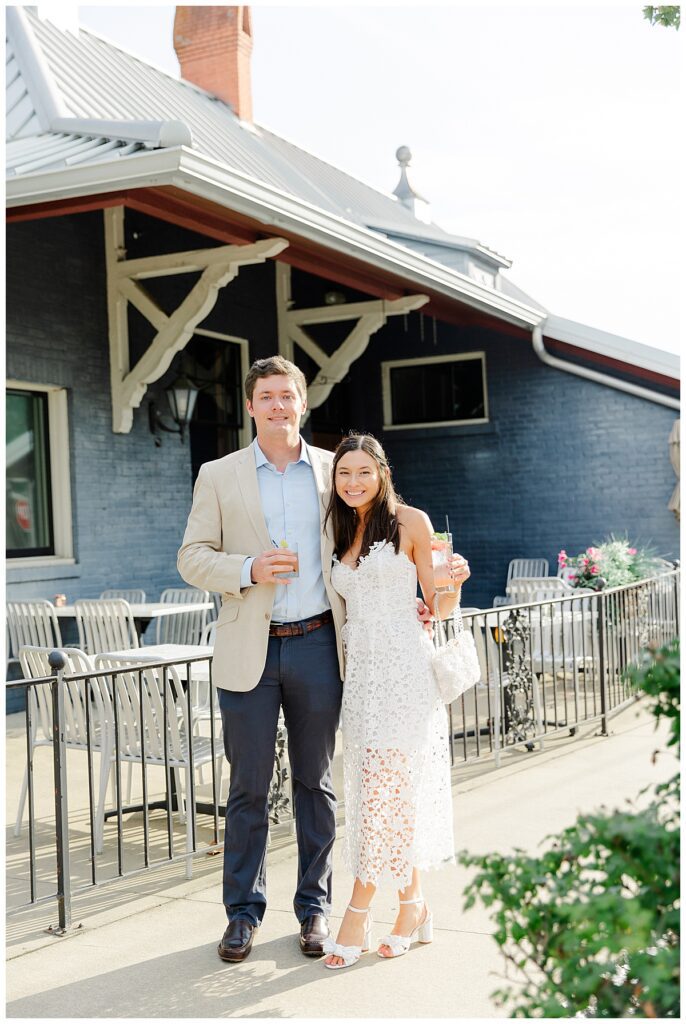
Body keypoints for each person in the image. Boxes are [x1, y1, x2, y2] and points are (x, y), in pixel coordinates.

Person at [177, 356, 465, 964]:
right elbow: (191, 558)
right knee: (248, 787)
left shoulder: (336, 473)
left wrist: (428, 597)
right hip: (249, 648)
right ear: (251, 405)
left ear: (302, 405)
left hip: (320, 647)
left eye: (288, 396)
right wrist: (246, 569)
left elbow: (387, 548)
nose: (278, 406)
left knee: (318, 783)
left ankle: (315, 909)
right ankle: (242, 915)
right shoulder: (218, 475)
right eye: (267, 397)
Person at [321, 433, 468, 969]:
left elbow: (439, 603)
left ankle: (358, 909)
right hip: (361, 677)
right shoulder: (337, 527)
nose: (353, 482)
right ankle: (414, 905)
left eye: (364, 471)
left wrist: (454, 582)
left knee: (384, 793)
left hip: (405, 673)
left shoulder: (413, 521)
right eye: (344, 473)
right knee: (381, 792)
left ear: (382, 472)